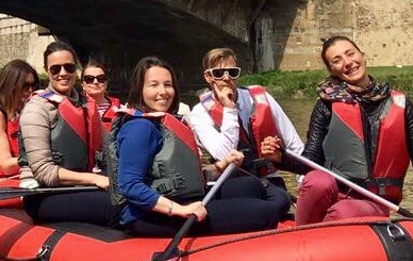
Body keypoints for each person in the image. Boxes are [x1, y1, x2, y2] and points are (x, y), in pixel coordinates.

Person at [108, 56, 288, 237]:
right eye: (154, 85)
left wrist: (223, 164)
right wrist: (179, 210)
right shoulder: (139, 127)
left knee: (252, 186)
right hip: (149, 215)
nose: (163, 91)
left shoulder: (160, 124)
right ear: (140, 89)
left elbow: (181, 178)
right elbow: (129, 186)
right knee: (266, 211)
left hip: (180, 197)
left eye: (168, 84)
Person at [290, 36, 413, 236]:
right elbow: (310, 160)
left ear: (363, 56)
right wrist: (280, 158)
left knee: (344, 211)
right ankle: (300, 240)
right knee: (316, 180)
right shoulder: (326, 105)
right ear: (332, 70)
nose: (348, 62)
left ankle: (311, 239)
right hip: (334, 192)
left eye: (350, 54)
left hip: (373, 201)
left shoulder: (401, 105)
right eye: (337, 60)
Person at [187, 47, 301, 213]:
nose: (226, 78)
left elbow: (293, 143)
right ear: (208, 77)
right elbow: (224, 153)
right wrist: (229, 109)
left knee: (282, 201)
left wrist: (304, 181)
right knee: (266, 202)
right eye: (219, 73)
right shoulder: (199, 113)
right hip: (233, 181)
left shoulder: (262, 99)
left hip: (267, 178)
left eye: (232, 72)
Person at [18, 40, 114, 225]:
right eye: (56, 69)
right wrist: (94, 179)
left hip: (83, 185)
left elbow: (110, 150)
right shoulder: (36, 109)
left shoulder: (86, 105)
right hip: (44, 192)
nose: (63, 73)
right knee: (115, 205)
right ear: (47, 71)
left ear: (76, 70)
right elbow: (44, 172)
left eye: (69, 67)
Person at [80, 58, 121, 128]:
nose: (95, 82)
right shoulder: (75, 106)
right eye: (89, 79)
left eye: (101, 78)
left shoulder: (120, 109)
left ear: (106, 83)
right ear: (82, 84)